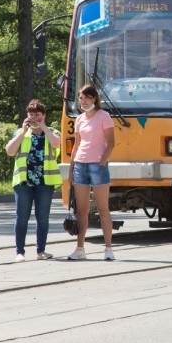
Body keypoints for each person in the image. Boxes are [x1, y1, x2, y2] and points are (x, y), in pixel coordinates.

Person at [5, 99, 62, 262]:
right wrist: (23, 132)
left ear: (44, 115)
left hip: (45, 181)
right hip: (24, 182)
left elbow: (56, 144)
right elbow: (10, 151)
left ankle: (41, 250)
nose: (34, 118)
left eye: (38, 114)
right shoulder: (21, 132)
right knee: (22, 216)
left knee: (42, 217)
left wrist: (43, 127)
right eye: (31, 114)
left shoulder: (52, 131)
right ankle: (20, 252)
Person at [69, 83, 116, 261]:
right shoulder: (80, 119)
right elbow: (76, 144)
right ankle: (80, 248)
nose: (83, 101)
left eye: (86, 97)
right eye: (81, 98)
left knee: (103, 209)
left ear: (94, 98)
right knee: (81, 210)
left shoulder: (104, 116)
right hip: (81, 164)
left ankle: (108, 248)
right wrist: (72, 168)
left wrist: (102, 161)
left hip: (97, 165)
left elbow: (111, 143)